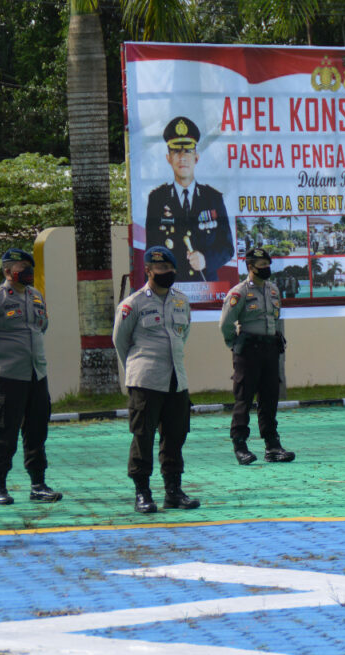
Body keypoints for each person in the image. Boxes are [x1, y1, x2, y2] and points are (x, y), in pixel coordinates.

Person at [113, 246, 199, 513]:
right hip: (145, 381)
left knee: (175, 436)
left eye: (171, 268)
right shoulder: (133, 304)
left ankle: (173, 491)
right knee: (143, 436)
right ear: (148, 270)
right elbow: (120, 341)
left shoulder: (181, 301)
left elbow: (183, 335)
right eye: (161, 269)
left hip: (176, 379)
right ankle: (142, 493)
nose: (167, 273)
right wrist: (138, 368)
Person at [0, 248, 62, 506]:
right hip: (7, 376)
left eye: (30, 267)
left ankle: (38, 484)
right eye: (22, 267)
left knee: (37, 431)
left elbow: (42, 327)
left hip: (36, 374)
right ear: (7, 271)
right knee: (5, 432)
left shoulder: (36, 296)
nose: (28, 271)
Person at [219, 247, 295, 465]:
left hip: (270, 349)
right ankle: (240, 445)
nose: (266, 268)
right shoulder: (239, 292)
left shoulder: (273, 290)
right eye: (262, 265)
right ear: (250, 267)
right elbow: (225, 323)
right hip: (248, 351)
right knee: (244, 398)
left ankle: (272, 445)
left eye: (268, 264)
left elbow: (275, 319)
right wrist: (235, 344)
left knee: (269, 398)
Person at [145, 116, 233, 282]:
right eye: (176, 151)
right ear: (168, 158)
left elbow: (227, 248)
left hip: (206, 288)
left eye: (187, 151)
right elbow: (151, 251)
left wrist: (206, 260)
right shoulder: (157, 199)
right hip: (171, 287)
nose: (182, 157)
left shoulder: (213, 198)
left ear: (196, 157)